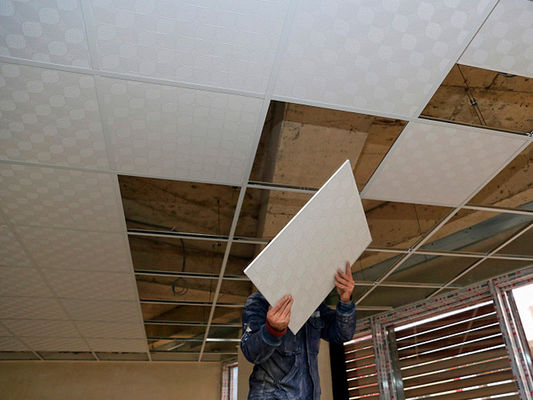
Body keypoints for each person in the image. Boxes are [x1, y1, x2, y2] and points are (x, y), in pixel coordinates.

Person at [241, 262, 357, 400]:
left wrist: (345, 301)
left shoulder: (312, 302)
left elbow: (342, 334)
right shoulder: (258, 302)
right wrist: (272, 330)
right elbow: (251, 353)